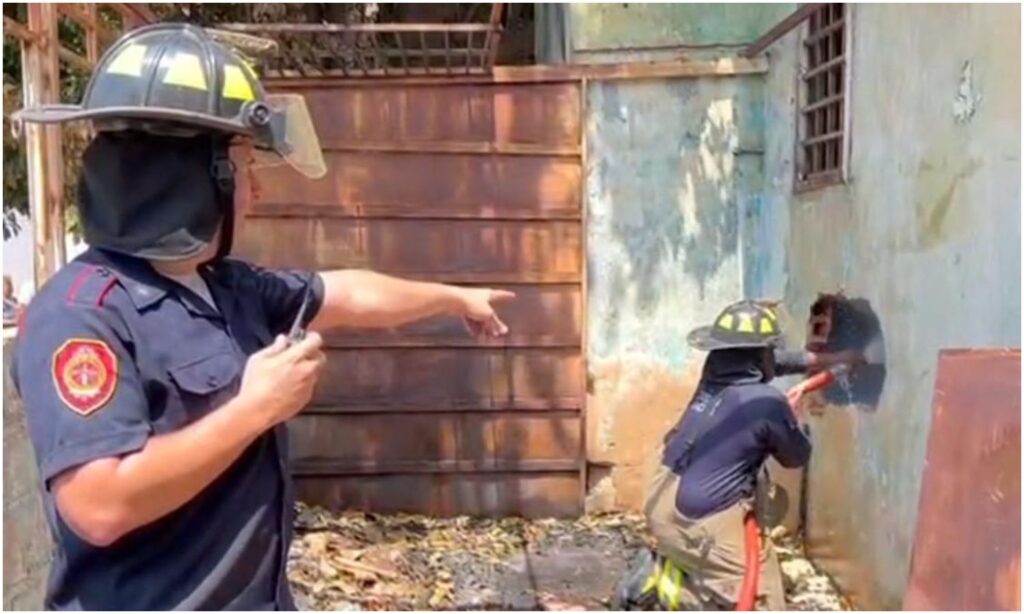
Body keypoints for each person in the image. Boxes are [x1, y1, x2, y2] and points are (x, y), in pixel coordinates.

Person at [10, 24, 513, 610]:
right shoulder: (79, 315)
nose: (257, 192)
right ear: (194, 180)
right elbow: (98, 506)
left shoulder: (224, 286)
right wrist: (254, 409)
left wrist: (454, 298)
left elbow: (348, 294)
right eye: (245, 167)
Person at [614, 300, 861, 610]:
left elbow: (772, 363)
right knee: (762, 597)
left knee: (709, 567)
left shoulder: (715, 373)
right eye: (770, 349)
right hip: (697, 520)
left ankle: (673, 574)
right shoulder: (767, 403)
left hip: (661, 501)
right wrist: (789, 419)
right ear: (760, 355)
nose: (774, 355)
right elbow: (797, 457)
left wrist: (835, 360)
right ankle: (658, 584)